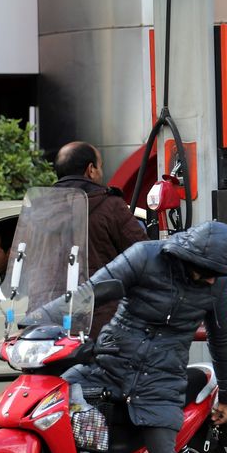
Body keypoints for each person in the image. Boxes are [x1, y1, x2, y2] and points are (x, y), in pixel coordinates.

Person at [57, 220, 227, 453]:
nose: (214, 279)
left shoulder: (216, 284)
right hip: (109, 364)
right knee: (53, 400)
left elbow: (223, 338)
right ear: (190, 258)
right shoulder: (145, 255)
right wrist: (32, 327)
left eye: (219, 272)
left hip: (161, 381)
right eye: (209, 271)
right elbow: (88, 294)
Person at [54, 141, 149, 338]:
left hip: (51, 323)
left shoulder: (43, 211)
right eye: (101, 166)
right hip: (102, 326)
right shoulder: (110, 206)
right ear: (91, 170)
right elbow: (144, 254)